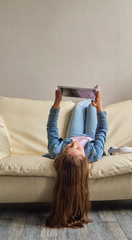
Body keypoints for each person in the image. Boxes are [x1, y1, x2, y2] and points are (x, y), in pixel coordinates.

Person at [45, 89, 108, 228]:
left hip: (73, 133)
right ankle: (90, 98)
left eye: (68, 147)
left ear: (62, 154)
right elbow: (102, 129)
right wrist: (99, 107)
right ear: (85, 159)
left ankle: (85, 99)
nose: (74, 143)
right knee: (91, 107)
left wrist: (57, 103)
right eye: (78, 148)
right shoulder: (94, 153)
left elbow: (51, 128)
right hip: (90, 135)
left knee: (78, 107)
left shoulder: (56, 150)